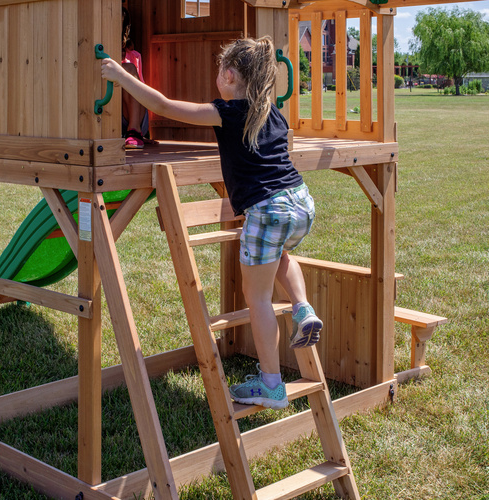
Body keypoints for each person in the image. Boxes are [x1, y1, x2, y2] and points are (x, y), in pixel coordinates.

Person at [101, 36, 323, 410]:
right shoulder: (271, 111)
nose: (217, 74)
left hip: (268, 209)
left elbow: (164, 106)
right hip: (301, 202)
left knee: (258, 299)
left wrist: (121, 77)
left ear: (231, 75)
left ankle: (271, 384)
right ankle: (303, 309)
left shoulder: (228, 111)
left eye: (222, 68)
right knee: (281, 255)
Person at [121, 7, 149, 149]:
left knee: (128, 69)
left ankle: (135, 131)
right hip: (107, 116)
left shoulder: (134, 56)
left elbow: (141, 91)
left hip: (131, 118)